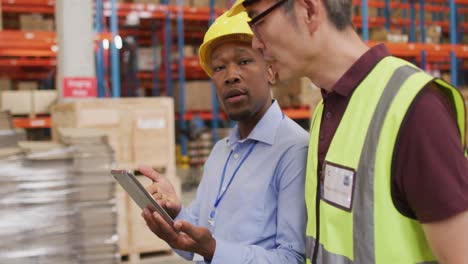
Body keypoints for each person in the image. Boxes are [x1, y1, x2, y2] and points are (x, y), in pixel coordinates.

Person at [228, 0, 468, 263]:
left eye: (258, 22)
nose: (256, 44)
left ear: (308, 10)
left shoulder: (415, 109)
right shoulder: (326, 110)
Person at [139, 10, 309, 264]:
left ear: (271, 71)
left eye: (244, 61)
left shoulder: (295, 150)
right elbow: (196, 240)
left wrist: (214, 250)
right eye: (219, 67)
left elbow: (293, 258)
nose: (231, 75)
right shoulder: (221, 151)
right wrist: (175, 215)